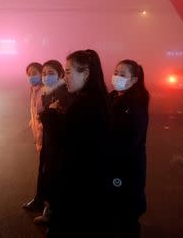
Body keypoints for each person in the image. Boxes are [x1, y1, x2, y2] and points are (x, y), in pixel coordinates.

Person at [47, 49, 111, 237]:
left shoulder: (87, 105)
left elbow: (68, 143)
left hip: (79, 189)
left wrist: (51, 116)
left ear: (86, 73)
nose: (65, 77)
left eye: (68, 72)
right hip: (88, 186)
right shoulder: (95, 99)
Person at [108, 59, 150, 237]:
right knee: (115, 206)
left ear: (133, 80)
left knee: (127, 207)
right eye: (116, 72)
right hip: (113, 162)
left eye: (122, 74)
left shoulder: (137, 102)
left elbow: (132, 139)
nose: (117, 77)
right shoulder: (113, 96)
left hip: (127, 165)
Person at [33, 60, 73, 225]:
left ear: (60, 74)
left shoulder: (63, 92)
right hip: (48, 140)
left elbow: (54, 118)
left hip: (58, 143)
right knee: (47, 173)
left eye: (51, 73)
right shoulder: (46, 91)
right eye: (44, 73)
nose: (46, 77)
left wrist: (46, 113)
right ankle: (48, 209)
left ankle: (54, 215)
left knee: (55, 176)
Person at [23, 62, 45, 211]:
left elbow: (45, 118)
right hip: (38, 138)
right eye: (29, 73)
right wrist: (32, 122)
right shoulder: (33, 90)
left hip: (45, 139)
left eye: (34, 72)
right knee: (43, 171)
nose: (31, 76)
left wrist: (40, 139)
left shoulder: (45, 91)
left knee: (44, 172)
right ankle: (42, 201)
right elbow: (35, 113)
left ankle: (43, 203)